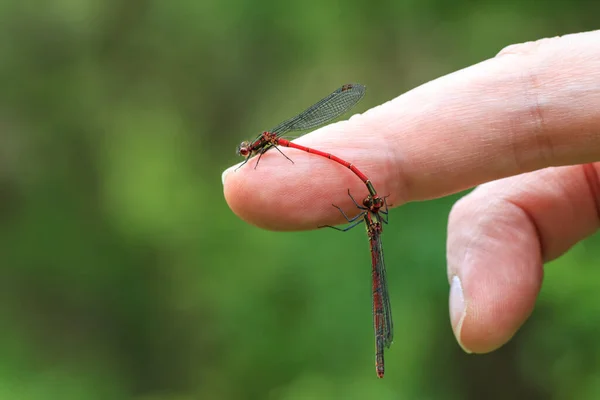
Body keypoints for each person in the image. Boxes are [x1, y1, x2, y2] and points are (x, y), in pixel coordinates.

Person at [221, 30, 600, 355]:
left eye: (246, 152)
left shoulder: (275, 149)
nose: (247, 153)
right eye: (246, 153)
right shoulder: (263, 152)